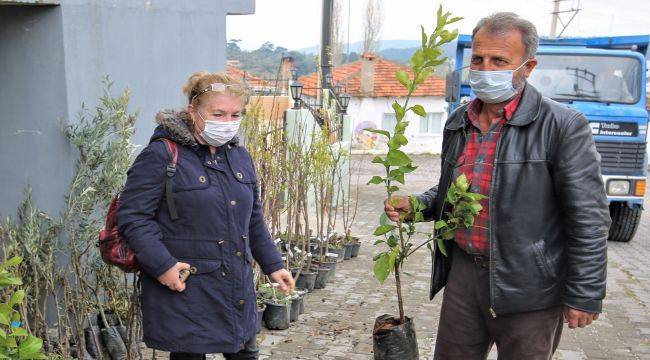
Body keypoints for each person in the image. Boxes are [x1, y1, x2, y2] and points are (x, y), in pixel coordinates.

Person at [385, 12, 610, 359]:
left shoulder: (562, 126)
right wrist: (418, 205)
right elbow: (452, 189)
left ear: (528, 67)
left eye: (499, 61)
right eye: (478, 59)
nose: (485, 69)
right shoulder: (459, 121)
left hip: (530, 285)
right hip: (464, 276)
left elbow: (589, 218)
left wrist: (585, 293)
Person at [118, 71, 294, 360]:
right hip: (187, 288)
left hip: (235, 287)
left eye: (236, 114)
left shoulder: (238, 156)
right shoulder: (162, 155)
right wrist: (163, 266)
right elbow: (133, 218)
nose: (228, 123)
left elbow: (253, 218)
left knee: (245, 352)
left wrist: (273, 264)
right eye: (218, 114)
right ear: (193, 111)